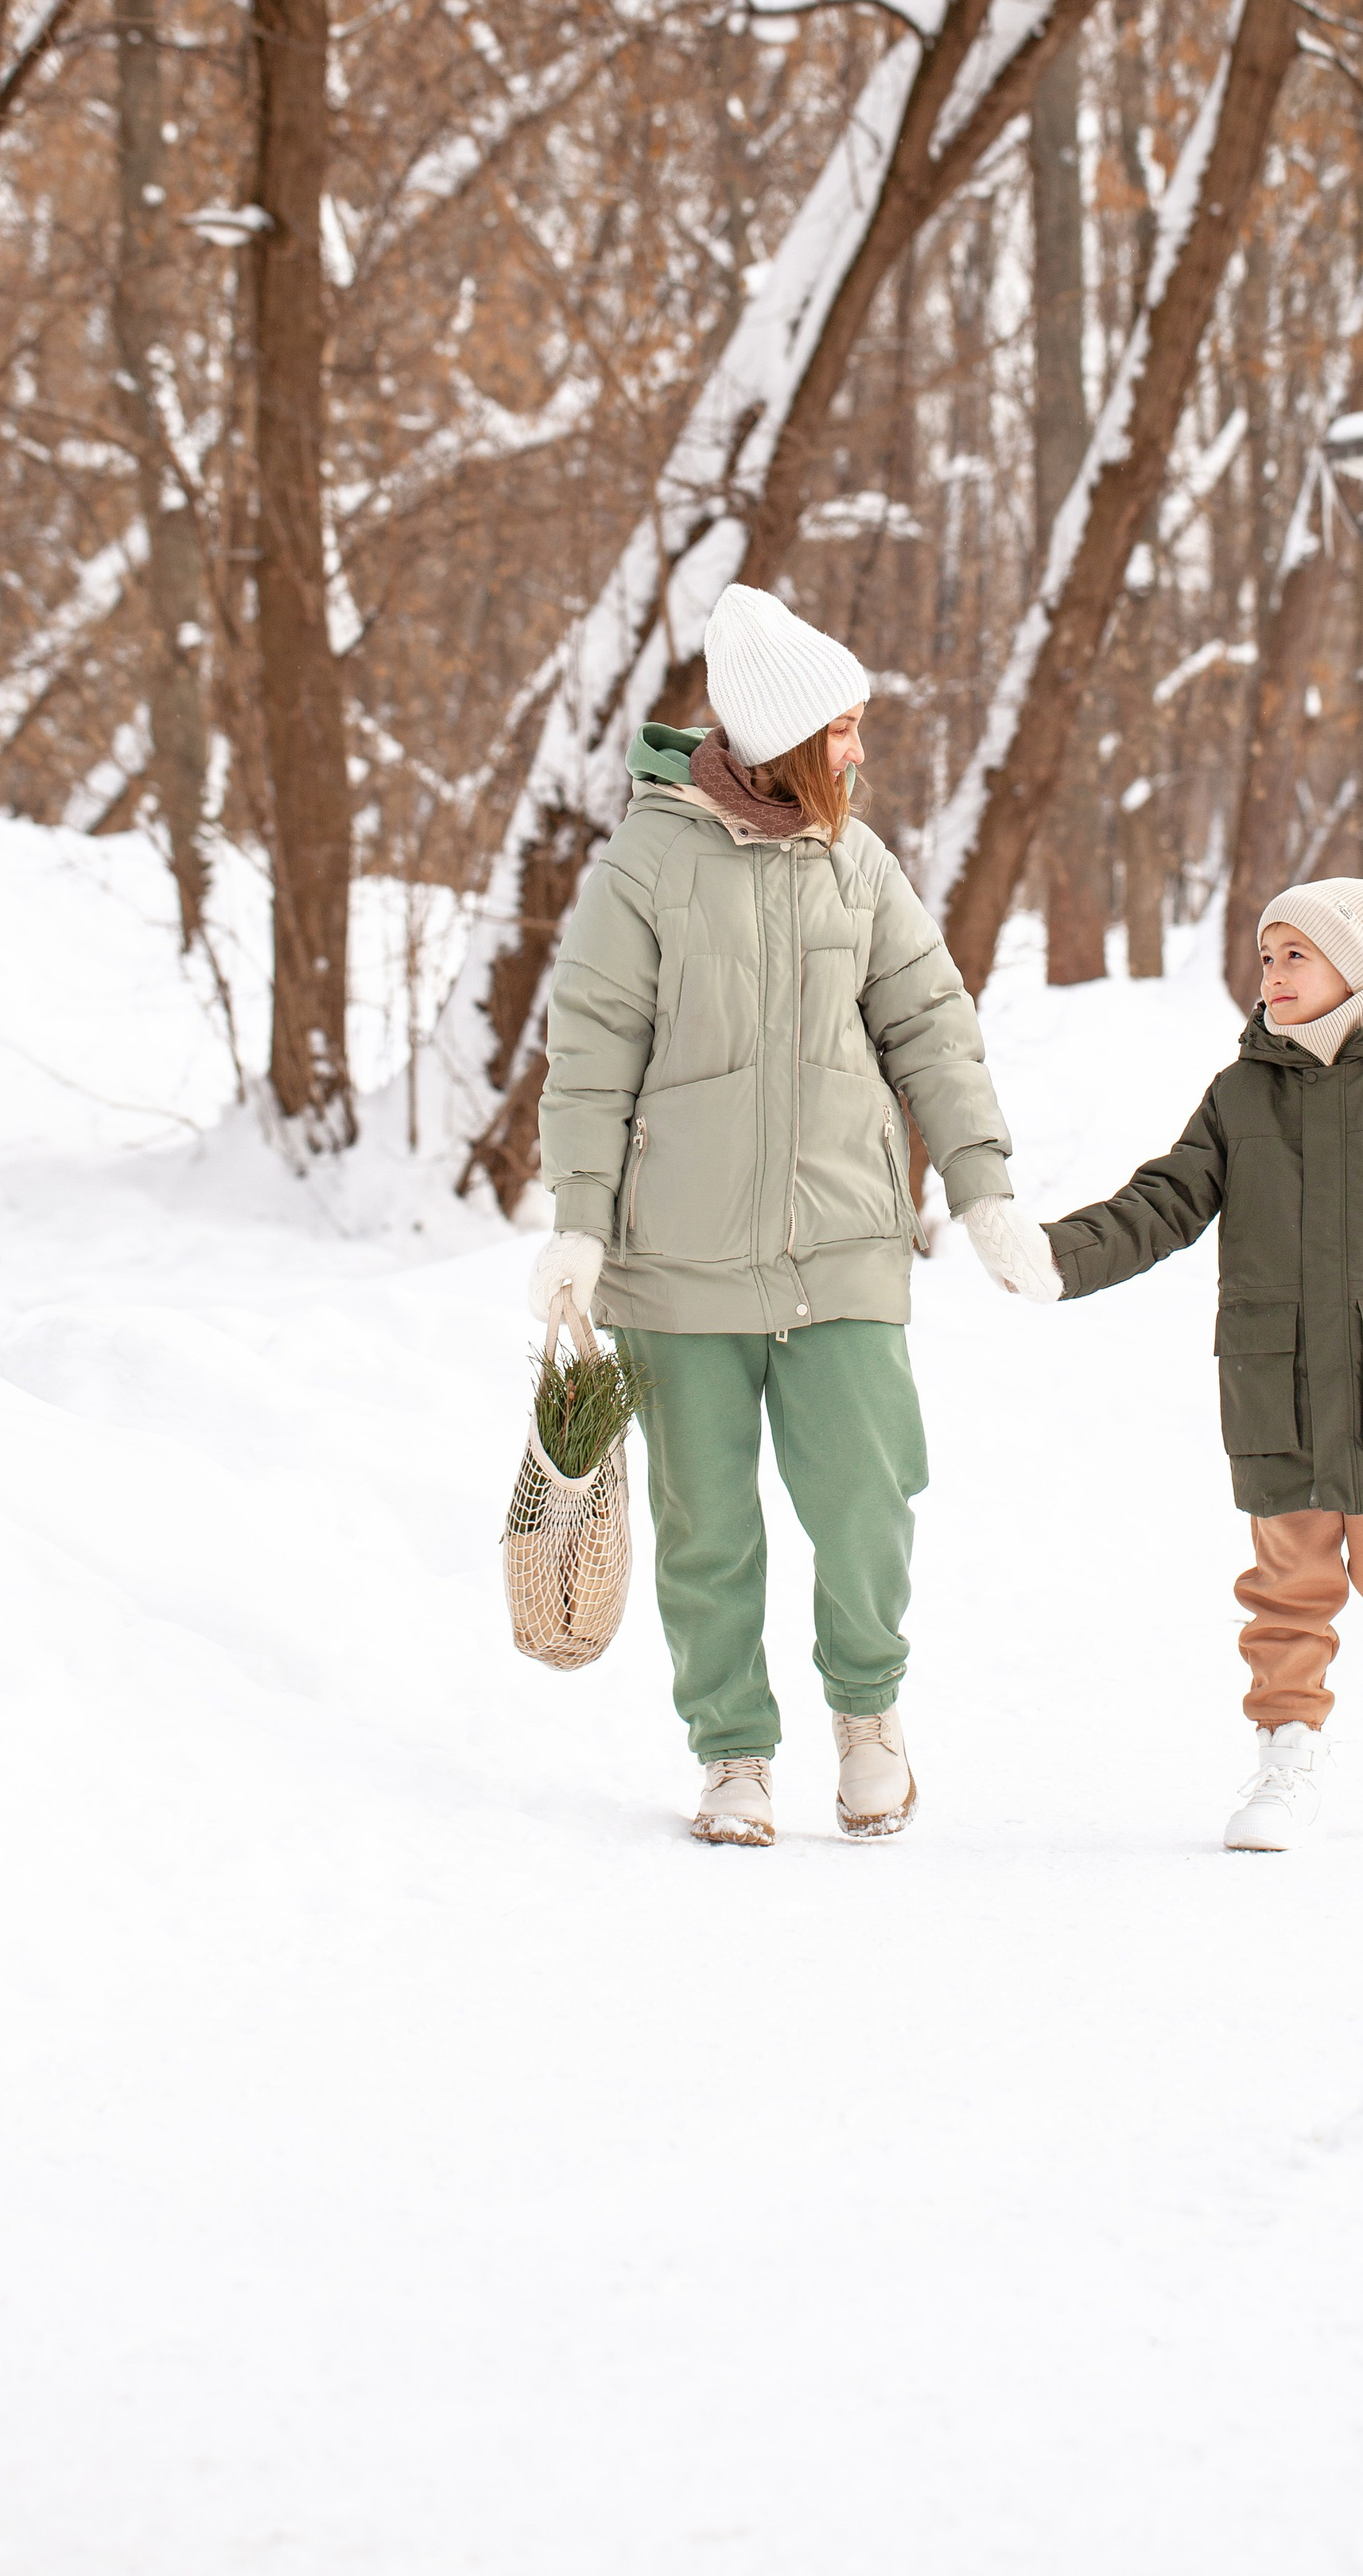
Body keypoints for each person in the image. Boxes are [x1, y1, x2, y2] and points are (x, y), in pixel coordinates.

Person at [529, 581, 1039, 1847]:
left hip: (844, 1245)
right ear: (789, 737)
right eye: (847, 729)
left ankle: (868, 1720)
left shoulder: (857, 863)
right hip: (678, 1257)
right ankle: (734, 1753)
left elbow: (933, 1025)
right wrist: (581, 1222)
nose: (861, 752)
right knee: (707, 1522)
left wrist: (982, 1188)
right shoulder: (644, 863)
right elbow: (591, 1048)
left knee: (869, 1496)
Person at [970, 878, 1363, 1851]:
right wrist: (1055, 1257)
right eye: (1267, 954)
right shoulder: (1242, 1092)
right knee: (1286, 1588)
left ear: (1354, 969)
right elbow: (1164, 1200)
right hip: (1277, 1383)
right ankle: (1285, 1754)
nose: (1272, 974)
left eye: (1296, 955)